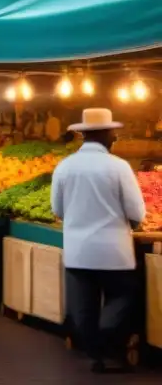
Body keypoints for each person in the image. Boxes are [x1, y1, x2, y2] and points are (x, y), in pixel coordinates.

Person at [51, 108, 146, 374]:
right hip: (113, 252)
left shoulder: (64, 167)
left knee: (83, 308)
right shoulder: (119, 167)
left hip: (78, 252)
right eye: (112, 133)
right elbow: (137, 212)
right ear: (106, 135)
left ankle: (97, 353)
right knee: (124, 295)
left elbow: (57, 210)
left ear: (83, 135)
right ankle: (108, 338)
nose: (114, 138)